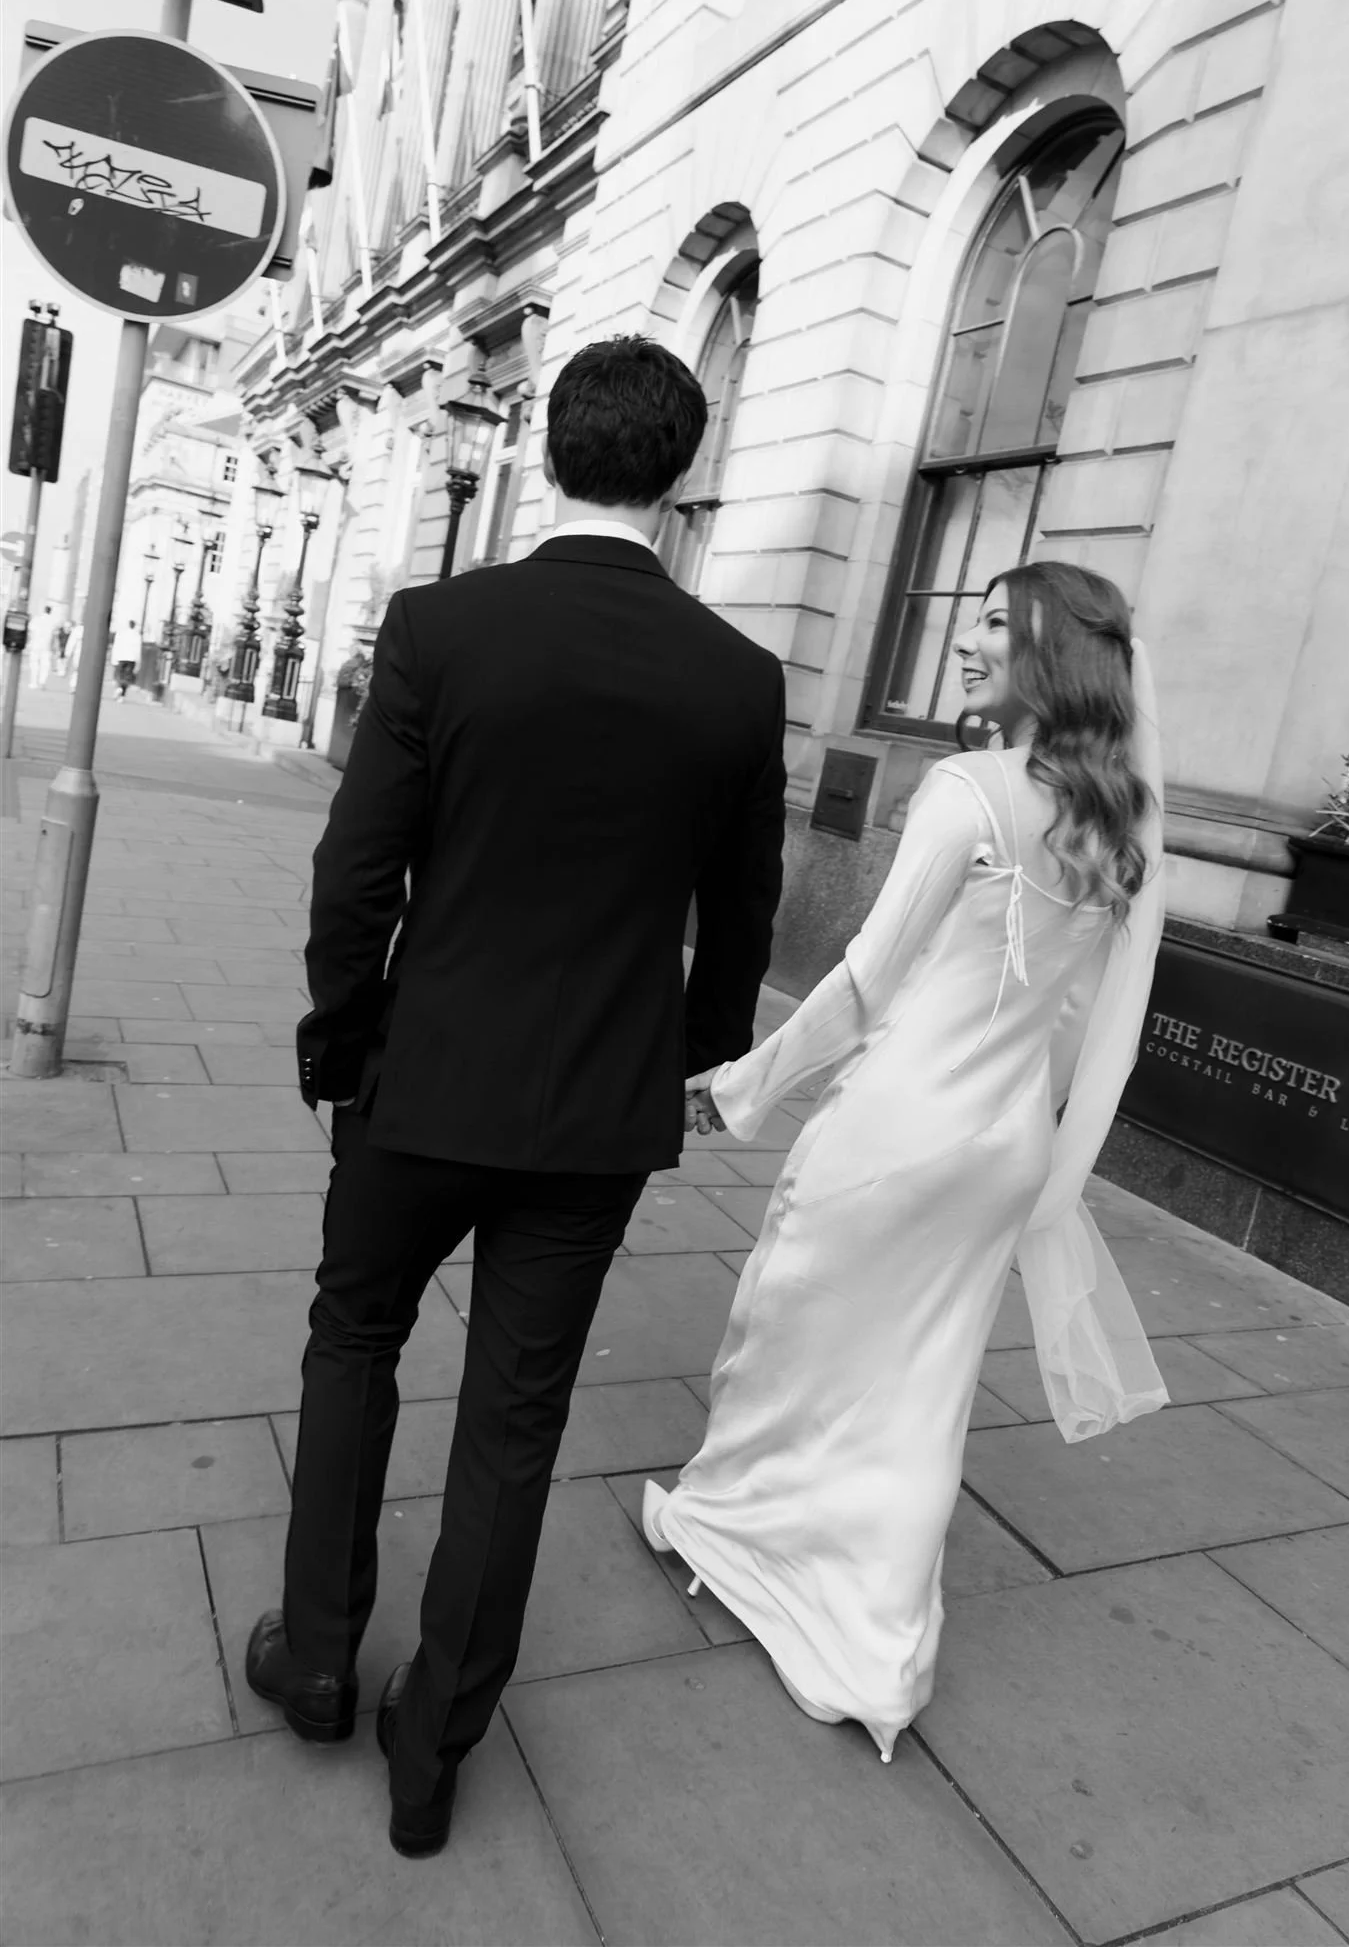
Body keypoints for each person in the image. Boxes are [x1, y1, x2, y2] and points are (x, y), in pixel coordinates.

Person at [245, 336, 787, 1858]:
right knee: (516, 1419)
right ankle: (435, 1746)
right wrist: (683, 1062)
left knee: (352, 1339)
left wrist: (343, 1036)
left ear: (551, 450)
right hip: (592, 1111)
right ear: (680, 475)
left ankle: (316, 1662)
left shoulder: (443, 628)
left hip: (424, 1084)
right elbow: (741, 919)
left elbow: (357, 869)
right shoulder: (739, 680)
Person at [646, 561, 1169, 1765]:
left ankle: (738, 1532)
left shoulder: (967, 792)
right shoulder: (1121, 816)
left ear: (1053, 657)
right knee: (921, 1384)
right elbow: (1097, 1023)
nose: (969, 643)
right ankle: (884, 1643)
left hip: (904, 1127)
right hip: (1005, 1147)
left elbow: (867, 979)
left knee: (797, 1330)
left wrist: (739, 1083)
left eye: (996, 625)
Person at [110, 619, 141, 699]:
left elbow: (116, 646)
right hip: (132, 659)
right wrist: (138, 663)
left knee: (119, 675)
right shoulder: (137, 635)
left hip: (121, 657)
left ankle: (118, 689)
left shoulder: (121, 633)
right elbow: (138, 650)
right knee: (127, 677)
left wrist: (114, 659)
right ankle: (122, 695)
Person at [27, 604, 55, 689]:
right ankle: (42, 681)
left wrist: (29, 642)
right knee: (45, 664)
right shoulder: (52, 621)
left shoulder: (37, 619)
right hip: (47, 646)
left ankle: (33, 682)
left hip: (35, 644)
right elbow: (54, 635)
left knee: (34, 664)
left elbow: (30, 631)